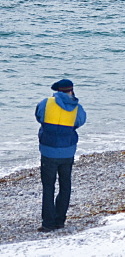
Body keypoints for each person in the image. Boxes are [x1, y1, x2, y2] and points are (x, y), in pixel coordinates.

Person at [35, 79, 86, 232]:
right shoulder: (77, 107)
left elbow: (39, 117)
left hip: (48, 150)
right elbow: (80, 122)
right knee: (65, 185)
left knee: (48, 186)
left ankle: (48, 224)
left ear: (57, 91)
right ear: (71, 90)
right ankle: (60, 221)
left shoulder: (46, 103)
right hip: (68, 150)